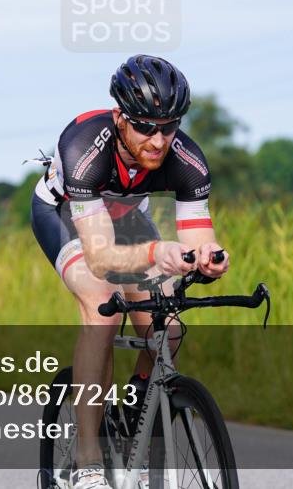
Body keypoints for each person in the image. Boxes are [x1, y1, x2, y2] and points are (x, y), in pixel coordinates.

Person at [30, 54, 230, 489]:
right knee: (102, 307)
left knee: (168, 329)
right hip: (65, 214)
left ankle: (138, 407)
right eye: (145, 127)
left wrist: (209, 258)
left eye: (169, 126)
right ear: (120, 117)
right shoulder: (85, 148)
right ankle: (86, 462)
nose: (158, 140)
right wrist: (161, 252)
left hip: (126, 217)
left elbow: (198, 240)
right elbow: (101, 257)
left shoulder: (187, 160)